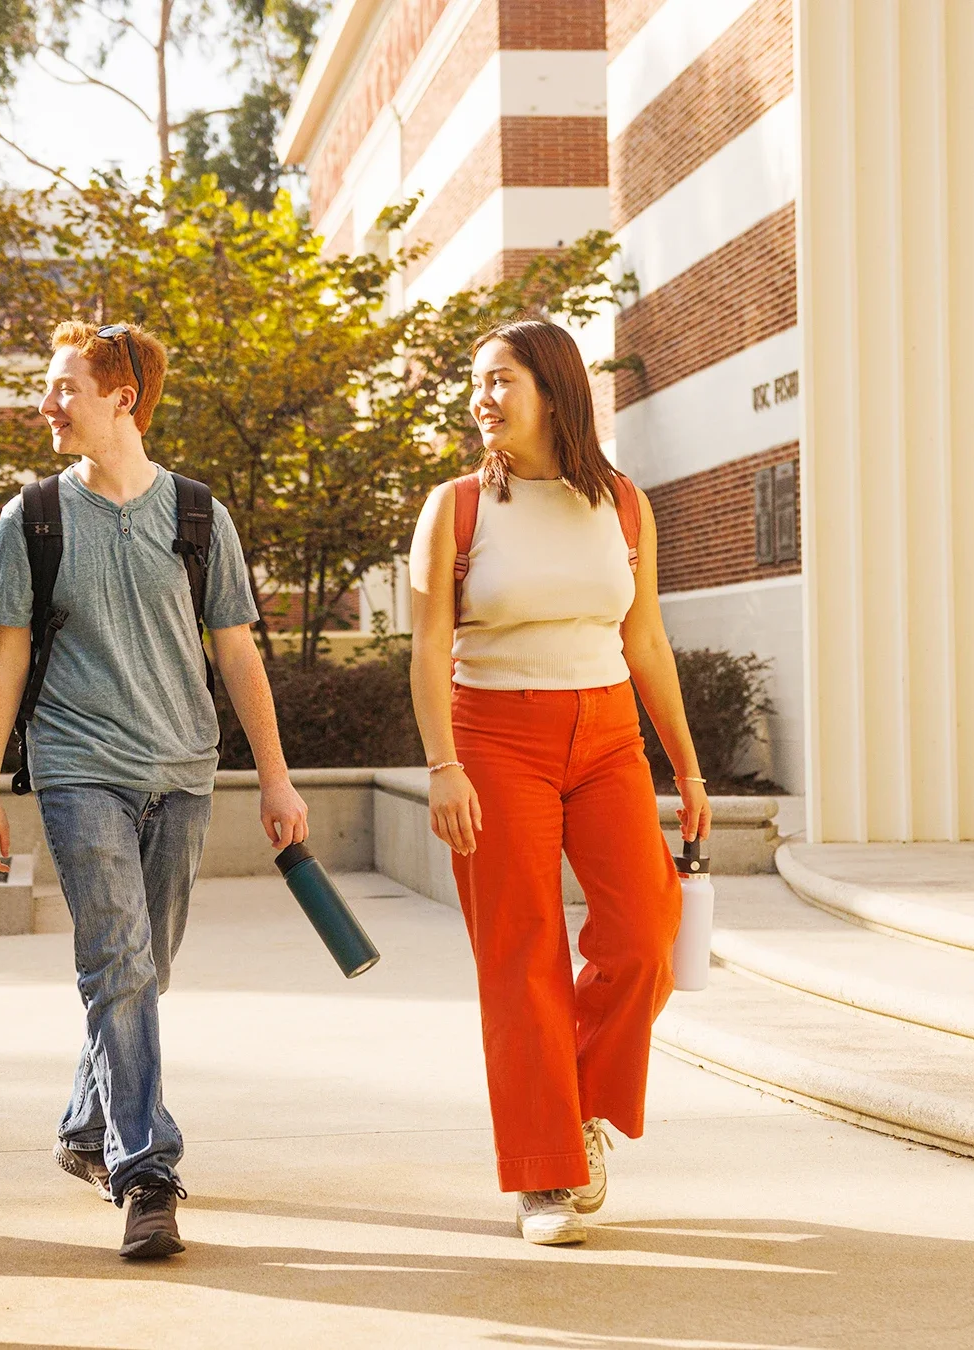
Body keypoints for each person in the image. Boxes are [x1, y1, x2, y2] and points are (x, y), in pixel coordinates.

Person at [0, 321, 309, 1260]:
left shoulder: (198, 515)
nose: (48, 404)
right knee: (117, 961)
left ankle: (87, 1126)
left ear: (123, 398)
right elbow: (6, 658)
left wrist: (274, 777)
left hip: (184, 774)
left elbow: (237, 649)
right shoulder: (31, 517)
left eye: (64, 386)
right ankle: (147, 1171)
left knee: (143, 972)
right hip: (79, 768)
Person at [406, 319, 713, 1246]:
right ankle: (545, 1175)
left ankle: (571, 1104)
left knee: (646, 931)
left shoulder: (621, 503)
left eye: (501, 380)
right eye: (477, 382)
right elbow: (425, 649)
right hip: (494, 737)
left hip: (609, 732)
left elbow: (646, 639)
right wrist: (443, 766)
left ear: (553, 389)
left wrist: (688, 765)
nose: (483, 398)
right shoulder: (456, 507)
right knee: (522, 953)